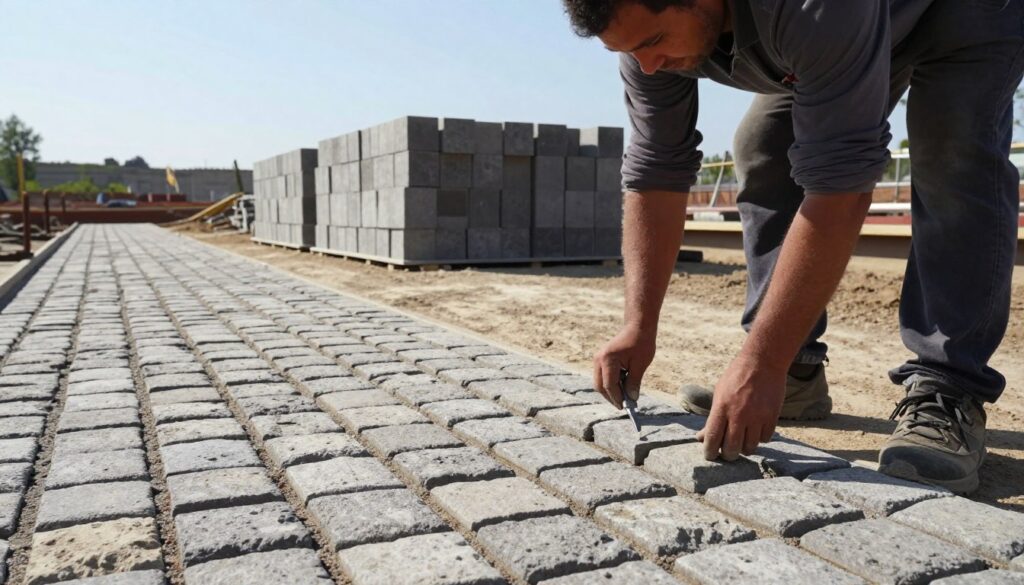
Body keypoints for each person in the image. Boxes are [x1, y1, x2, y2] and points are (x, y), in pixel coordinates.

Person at [566, 0, 1023, 494]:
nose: (647, 65)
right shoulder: (642, 35)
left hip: (962, 12)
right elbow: (656, 169)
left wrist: (760, 363)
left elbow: (840, 188)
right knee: (765, 145)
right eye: (630, 51)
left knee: (952, 154)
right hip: (853, 23)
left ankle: (947, 387)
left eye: (653, 43)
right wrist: (638, 326)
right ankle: (796, 371)